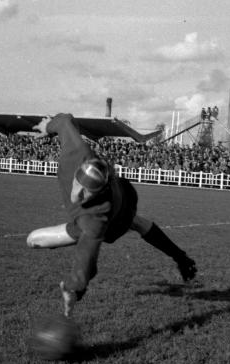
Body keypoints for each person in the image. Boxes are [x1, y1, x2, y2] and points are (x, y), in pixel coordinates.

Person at [27, 113, 197, 318]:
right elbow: (65, 121)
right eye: (78, 184)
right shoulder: (78, 153)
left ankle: (181, 257)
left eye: (87, 192)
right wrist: (48, 127)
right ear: (79, 170)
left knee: (32, 240)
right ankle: (182, 258)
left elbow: (85, 264)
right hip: (123, 194)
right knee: (137, 223)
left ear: (100, 191)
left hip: (116, 214)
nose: (77, 195)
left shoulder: (95, 220)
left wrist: (74, 288)